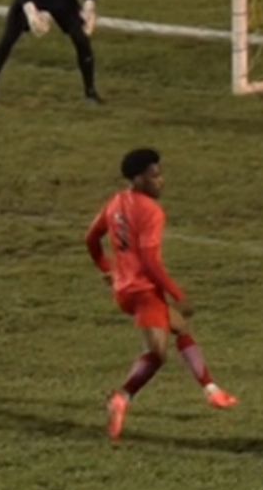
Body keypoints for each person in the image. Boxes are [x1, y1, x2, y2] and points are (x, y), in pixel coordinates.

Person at [85, 147, 237, 443]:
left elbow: (91, 239)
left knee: (179, 327)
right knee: (157, 353)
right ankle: (121, 396)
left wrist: (108, 270)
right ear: (138, 179)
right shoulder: (151, 211)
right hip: (142, 290)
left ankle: (212, 390)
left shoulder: (116, 202)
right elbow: (150, 260)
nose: (160, 181)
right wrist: (178, 293)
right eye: (154, 176)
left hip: (124, 290)